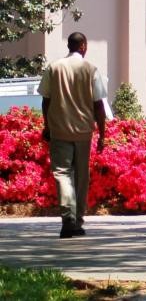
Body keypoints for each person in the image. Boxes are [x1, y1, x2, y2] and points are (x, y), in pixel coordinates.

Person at [38, 32, 107, 238]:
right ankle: (77, 220)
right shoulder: (91, 70)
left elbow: (46, 100)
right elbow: (99, 105)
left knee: (62, 174)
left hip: (59, 129)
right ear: (84, 46)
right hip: (84, 131)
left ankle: (68, 216)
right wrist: (102, 134)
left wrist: (47, 126)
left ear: (69, 46)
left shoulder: (54, 67)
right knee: (81, 176)